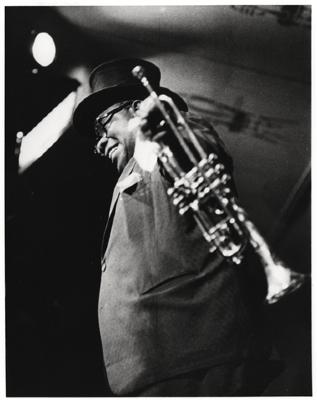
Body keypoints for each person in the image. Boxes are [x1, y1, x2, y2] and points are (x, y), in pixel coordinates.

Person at [73, 58, 280, 396]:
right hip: (157, 360)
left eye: (103, 123)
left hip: (195, 349)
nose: (98, 143)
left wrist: (162, 121)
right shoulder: (131, 171)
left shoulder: (164, 139)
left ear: (137, 109)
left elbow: (196, 149)